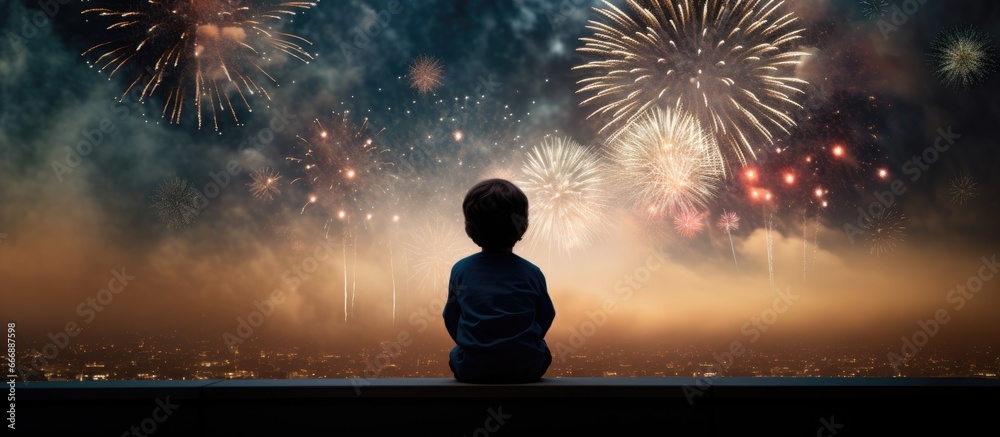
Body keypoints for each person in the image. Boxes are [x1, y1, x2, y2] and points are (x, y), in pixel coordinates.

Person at [443, 178, 555, 383]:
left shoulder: (461, 270)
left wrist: (472, 344)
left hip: (472, 369)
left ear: (470, 228)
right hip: (526, 368)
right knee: (544, 353)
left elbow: (451, 317)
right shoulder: (532, 272)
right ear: (522, 226)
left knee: (454, 355)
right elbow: (546, 315)